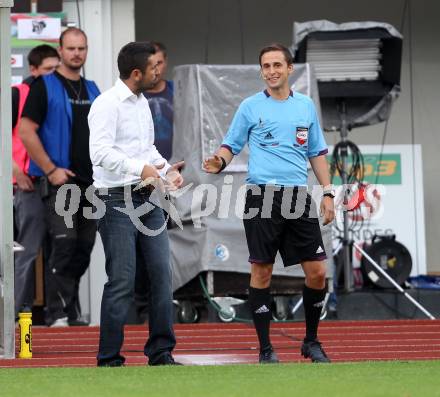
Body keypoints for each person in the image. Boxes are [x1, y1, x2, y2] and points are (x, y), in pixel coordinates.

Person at [203, 43, 335, 363]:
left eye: (278, 65)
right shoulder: (249, 106)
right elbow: (229, 145)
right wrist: (218, 162)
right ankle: (265, 349)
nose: (272, 71)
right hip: (261, 197)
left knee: (317, 272)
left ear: (290, 69)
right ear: (261, 71)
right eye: (266, 66)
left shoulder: (305, 106)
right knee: (261, 271)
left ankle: (311, 341)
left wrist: (328, 193)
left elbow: (316, 153)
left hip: (298, 197)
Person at [89, 41, 184, 367]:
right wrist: (140, 168)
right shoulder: (106, 104)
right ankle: (109, 358)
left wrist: (166, 169)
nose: (159, 72)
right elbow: (99, 153)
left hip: (148, 197)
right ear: (136, 73)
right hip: (114, 199)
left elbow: (147, 150)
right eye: (153, 67)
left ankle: (161, 353)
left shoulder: (142, 102)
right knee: (122, 280)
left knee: (161, 275)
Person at [19, 27, 100, 327]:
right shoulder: (44, 86)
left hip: (91, 183)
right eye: (71, 48)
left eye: (82, 48)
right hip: (60, 182)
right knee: (64, 245)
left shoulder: (93, 89)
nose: (77, 53)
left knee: (84, 248)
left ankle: (69, 309)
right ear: (60, 50)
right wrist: (51, 170)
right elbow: (26, 132)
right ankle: (58, 313)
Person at [12, 44, 60, 317]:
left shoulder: (58, 93)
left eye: (56, 68)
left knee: (63, 249)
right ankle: (15, 313)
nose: (53, 74)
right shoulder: (17, 94)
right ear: (32, 70)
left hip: (56, 181)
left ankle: (60, 314)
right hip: (27, 183)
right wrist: (16, 171)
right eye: (48, 70)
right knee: (27, 252)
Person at [143, 42, 174, 160]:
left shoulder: (178, 92)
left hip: (175, 166)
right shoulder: (134, 95)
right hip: (143, 169)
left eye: (159, 63)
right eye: (150, 64)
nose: (155, 69)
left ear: (165, 62)